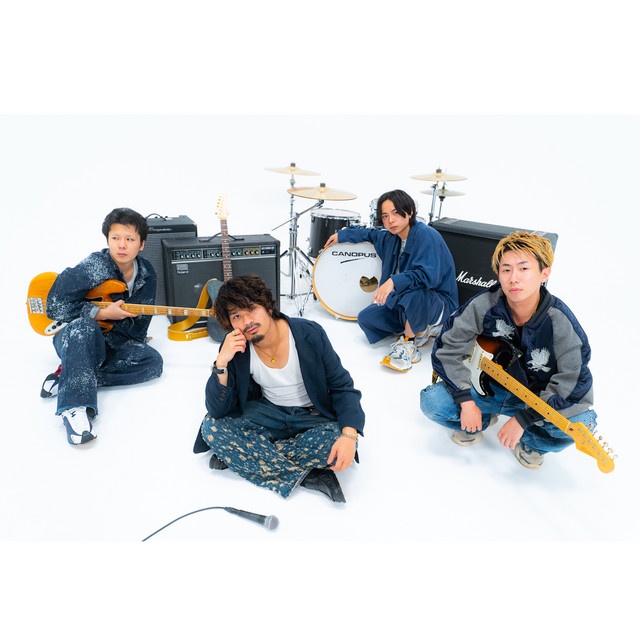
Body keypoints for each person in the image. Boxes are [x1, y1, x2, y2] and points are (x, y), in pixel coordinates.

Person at [420, 231, 596, 469]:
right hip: (487, 388)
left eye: (524, 269)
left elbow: (573, 381)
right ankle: (480, 419)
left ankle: (532, 442)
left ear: (544, 274)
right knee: (432, 401)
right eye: (506, 269)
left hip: (535, 399)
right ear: (498, 274)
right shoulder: (483, 305)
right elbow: (447, 347)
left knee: (582, 424)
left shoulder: (561, 322)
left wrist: (524, 418)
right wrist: (466, 401)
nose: (514, 278)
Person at [193, 274, 365, 502]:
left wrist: (349, 436)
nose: (246, 321)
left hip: (311, 416)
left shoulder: (309, 333)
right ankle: (307, 476)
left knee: (337, 443)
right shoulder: (235, 346)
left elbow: (343, 388)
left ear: (267, 306)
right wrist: (221, 362)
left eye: (251, 309)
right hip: (269, 412)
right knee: (212, 428)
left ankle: (248, 455)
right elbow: (217, 410)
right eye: (236, 316)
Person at [41, 208, 163, 445]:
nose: (122, 245)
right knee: (84, 327)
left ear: (141, 244)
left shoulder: (147, 272)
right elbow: (54, 306)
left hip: (113, 340)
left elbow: (140, 324)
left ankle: (74, 374)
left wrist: (137, 338)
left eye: (130, 239)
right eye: (116, 238)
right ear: (107, 240)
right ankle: (74, 409)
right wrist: (102, 313)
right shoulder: (94, 265)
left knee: (152, 363)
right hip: (75, 336)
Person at [324, 189, 458, 372]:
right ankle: (418, 327)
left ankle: (409, 343)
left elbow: (427, 277)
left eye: (395, 213)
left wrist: (393, 281)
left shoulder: (426, 235)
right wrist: (342, 235)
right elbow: (370, 234)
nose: (390, 221)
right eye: (385, 216)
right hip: (406, 300)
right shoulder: (391, 238)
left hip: (438, 303)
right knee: (365, 318)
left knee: (415, 293)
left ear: (409, 211)